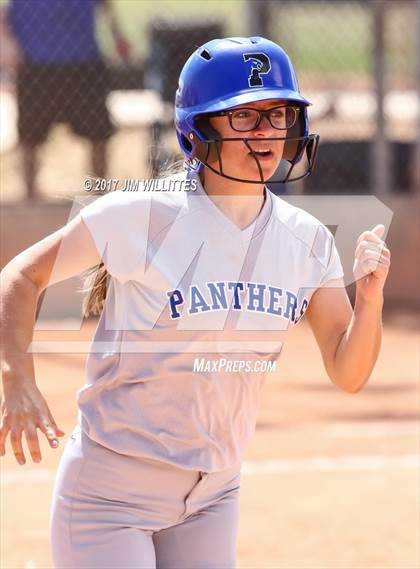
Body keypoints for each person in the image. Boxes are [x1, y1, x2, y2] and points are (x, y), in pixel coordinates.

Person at [0, 37, 391, 568]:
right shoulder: (143, 214)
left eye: (278, 115)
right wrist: (16, 379)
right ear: (197, 130)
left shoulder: (307, 240)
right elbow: (21, 275)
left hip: (214, 497)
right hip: (111, 497)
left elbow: (348, 370)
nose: (267, 133)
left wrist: (369, 301)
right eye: (246, 117)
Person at [4, 0, 130, 199]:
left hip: (83, 63)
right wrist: (8, 44)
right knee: (30, 138)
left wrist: (117, 35)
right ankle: (30, 195)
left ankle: (99, 192)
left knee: (98, 133)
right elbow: (6, 16)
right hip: (36, 65)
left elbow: (105, 5)